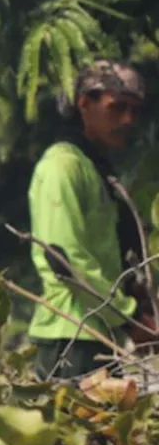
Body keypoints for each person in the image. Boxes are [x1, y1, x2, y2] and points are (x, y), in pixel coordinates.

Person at [28, 60, 155, 379]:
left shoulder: (97, 170)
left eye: (134, 111)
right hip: (70, 337)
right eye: (118, 107)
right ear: (85, 103)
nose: (128, 119)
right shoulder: (62, 166)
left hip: (100, 334)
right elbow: (64, 259)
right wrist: (131, 321)